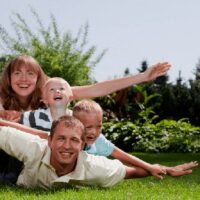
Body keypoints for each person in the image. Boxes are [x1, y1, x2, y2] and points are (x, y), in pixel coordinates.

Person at [0, 115, 198, 189]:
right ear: (49, 140)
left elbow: (129, 172)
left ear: (82, 145)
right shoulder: (33, 146)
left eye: (74, 140)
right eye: (60, 138)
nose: (67, 146)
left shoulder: (93, 166)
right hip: (22, 183)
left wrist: (164, 169)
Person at [0, 55, 171, 113]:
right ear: (9, 77)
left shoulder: (49, 95)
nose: (23, 79)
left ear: (38, 79)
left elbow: (95, 89)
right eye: (17, 73)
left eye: (30, 74)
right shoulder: (2, 98)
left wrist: (142, 76)